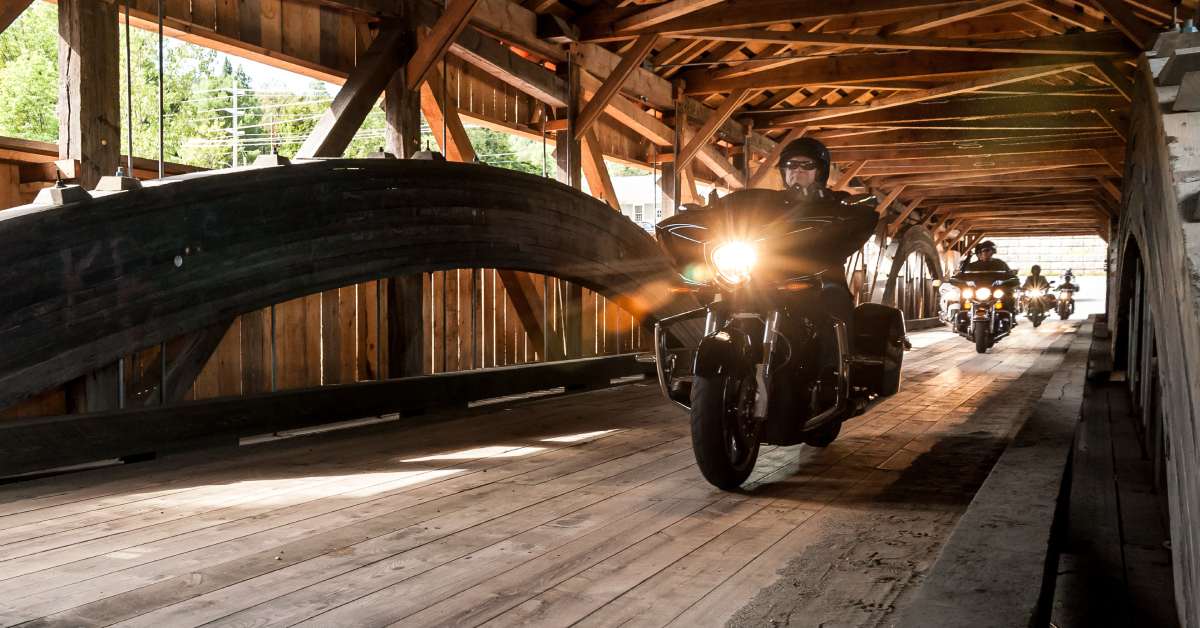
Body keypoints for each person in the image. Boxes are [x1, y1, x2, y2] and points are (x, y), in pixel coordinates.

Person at [774, 138, 878, 333]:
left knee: (834, 300)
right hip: (768, 272)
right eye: (791, 165)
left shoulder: (835, 202)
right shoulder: (770, 202)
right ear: (784, 170)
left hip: (821, 273)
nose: (798, 170)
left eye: (807, 165)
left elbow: (863, 218)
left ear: (819, 171)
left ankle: (837, 362)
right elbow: (741, 207)